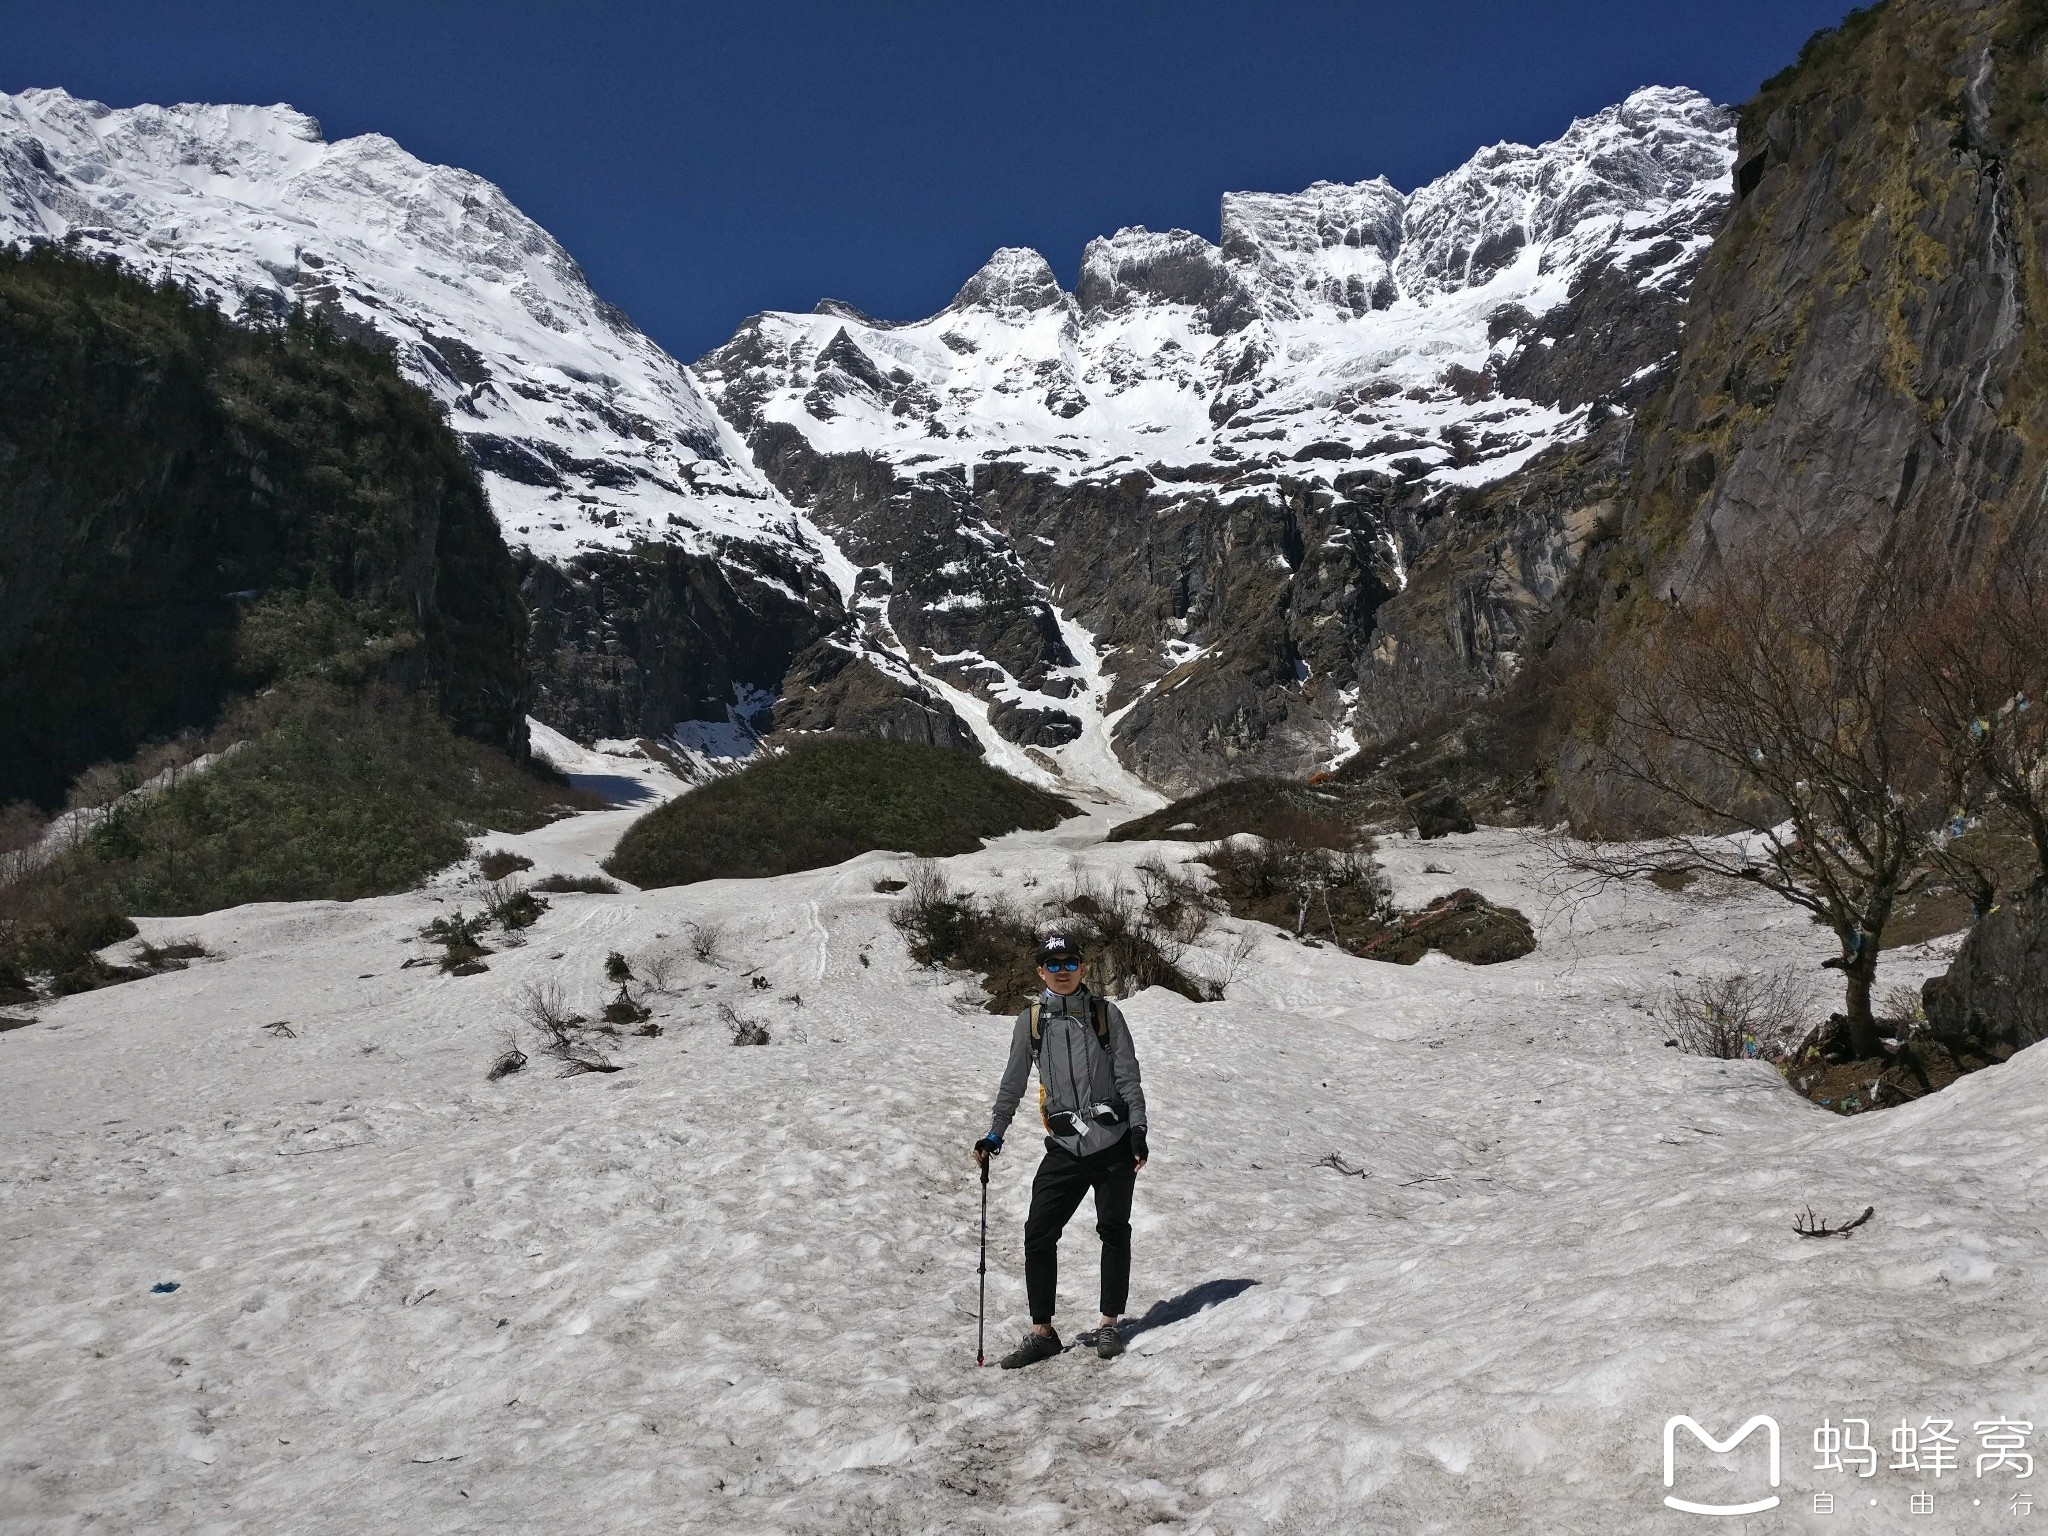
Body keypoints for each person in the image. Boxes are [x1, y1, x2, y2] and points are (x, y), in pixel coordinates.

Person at [973, 933, 1148, 1368]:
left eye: (1071, 963)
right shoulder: (1032, 1022)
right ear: (1040, 972)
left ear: (1083, 968)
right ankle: (1043, 1332)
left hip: (1113, 1143)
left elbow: (1128, 1076)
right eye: (1053, 964)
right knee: (1039, 1232)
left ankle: (1109, 1323)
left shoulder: (1106, 1015)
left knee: (1113, 1230)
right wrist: (995, 1132)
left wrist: (1139, 1130)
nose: (1063, 971)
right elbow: (1012, 1083)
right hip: (1064, 1146)